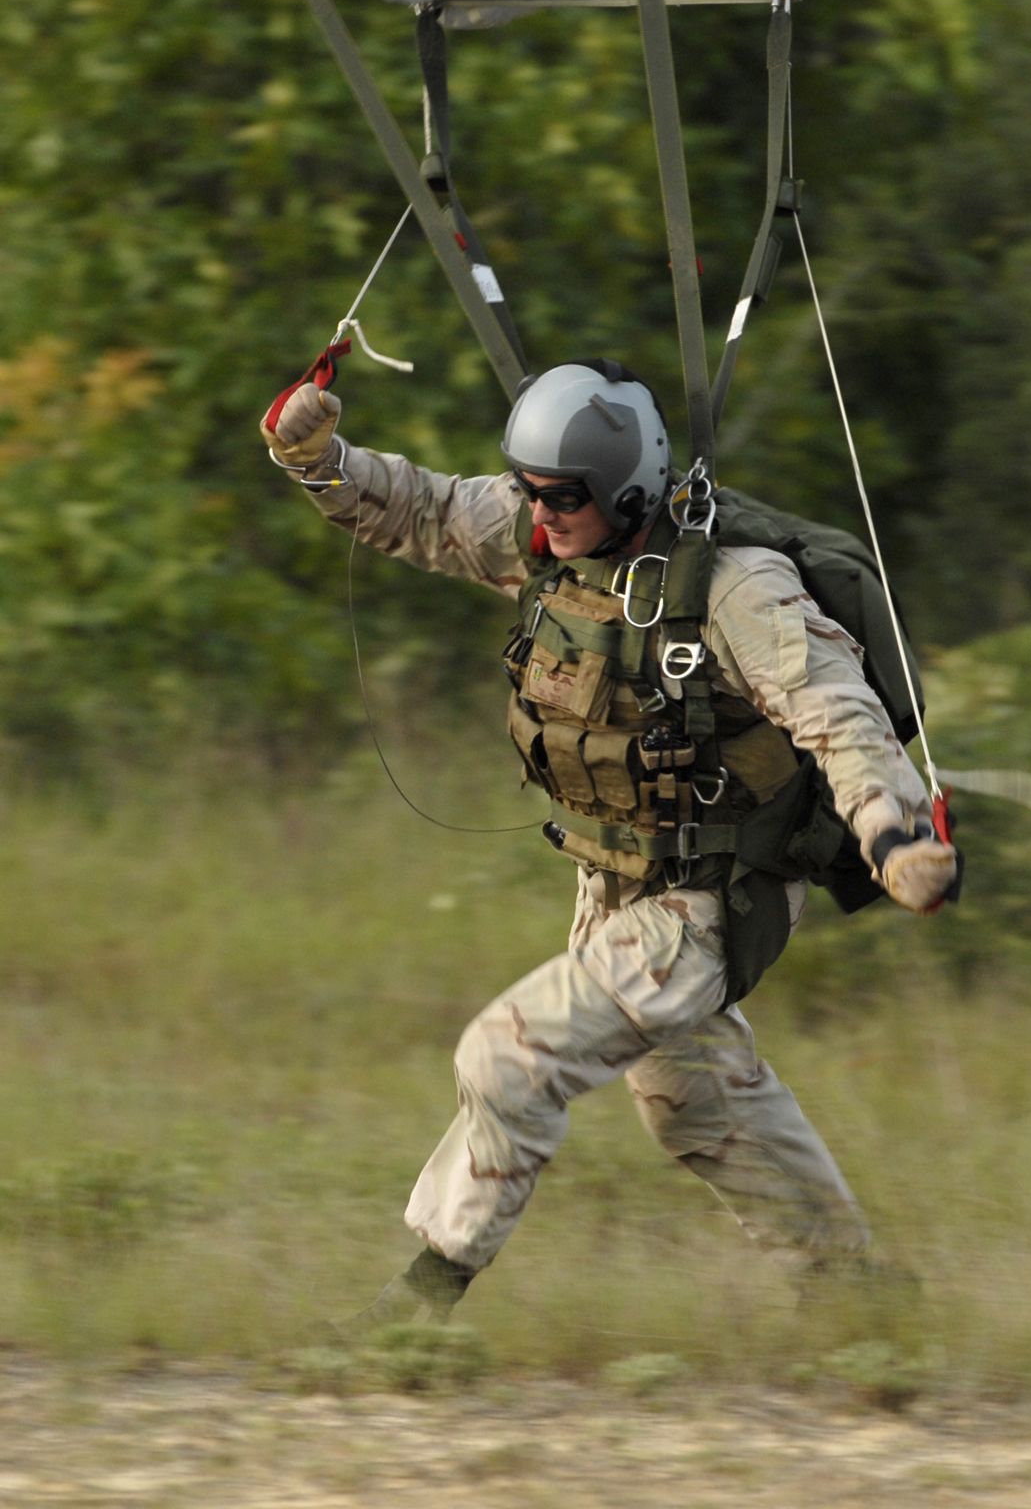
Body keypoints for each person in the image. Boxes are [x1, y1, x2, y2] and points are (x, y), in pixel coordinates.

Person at [261, 359, 957, 1326]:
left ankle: (416, 1310)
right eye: (529, 491)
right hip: (617, 885)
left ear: (625, 490)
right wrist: (317, 460)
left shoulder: (735, 587)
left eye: (561, 497)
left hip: (713, 896)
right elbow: (419, 510)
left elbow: (836, 713)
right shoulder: (542, 536)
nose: (538, 515)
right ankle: (863, 1302)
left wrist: (894, 832)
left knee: (507, 1056)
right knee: (695, 1101)